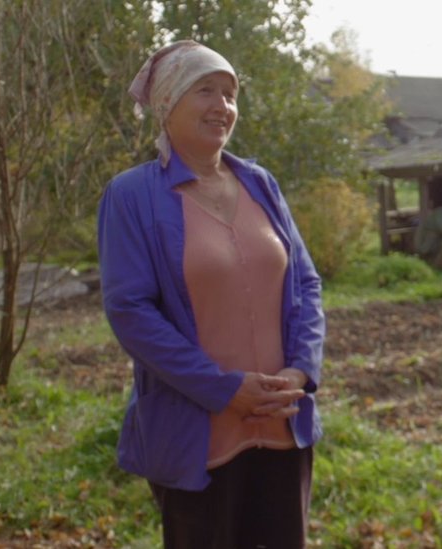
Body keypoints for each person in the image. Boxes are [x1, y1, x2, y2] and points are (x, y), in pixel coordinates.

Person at [97, 40, 324, 549]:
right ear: (168, 103)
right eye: (206, 90)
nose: (223, 106)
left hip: (281, 423)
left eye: (230, 93)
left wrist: (301, 371)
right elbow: (129, 310)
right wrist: (223, 389)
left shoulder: (260, 184)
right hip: (197, 433)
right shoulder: (132, 196)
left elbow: (306, 283)